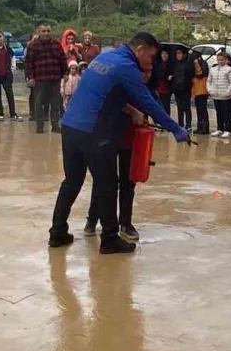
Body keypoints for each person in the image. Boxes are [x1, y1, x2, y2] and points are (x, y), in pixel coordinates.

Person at [49, 32, 189, 253]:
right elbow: (149, 102)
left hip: (70, 126)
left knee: (72, 181)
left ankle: (57, 233)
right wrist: (175, 128)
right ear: (140, 49)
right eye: (150, 56)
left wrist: (129, 109)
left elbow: (104, 93)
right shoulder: (126, 66)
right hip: (93, 130)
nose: (150, 62)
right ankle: (110, 239)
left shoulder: (104, 58)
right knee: (108, 185)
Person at [83, 67, 153, 242]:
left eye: (149, 72)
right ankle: (92, 220)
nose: (146, 75)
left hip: (131, 142)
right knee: (104, 181)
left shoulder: (146, 90)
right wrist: (133, 111)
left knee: (128, 183)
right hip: (108, 139)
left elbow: (155, 108)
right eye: (143, 71)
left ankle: (126, 223)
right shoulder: (118, 84)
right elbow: (108, 100)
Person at [25, 23, 66, 133]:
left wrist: (65, 74)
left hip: (55, 78)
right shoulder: (33, 46)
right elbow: (29, 63)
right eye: (43, 31)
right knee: (38, 103)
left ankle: (55, 125)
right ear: (39, 32)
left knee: (55, 103)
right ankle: (39, 125)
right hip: (40, 79)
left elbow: (62, 60)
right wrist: (30, 77)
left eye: (48, 31)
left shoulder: (57, 45)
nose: (46, 33)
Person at [0, 31, 19, 121]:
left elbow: (13, 58)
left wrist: (12, 69)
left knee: (10, 95)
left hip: (6, 75)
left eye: (0, 36)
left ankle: (12, 114)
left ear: (3, 38)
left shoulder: (8, 49)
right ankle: (1, 114)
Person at [207, 51, 231, 138]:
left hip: (226, 97)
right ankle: (219, 129)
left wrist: (228, 92)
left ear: (226, 60)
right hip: (216, 96)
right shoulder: (213, 69)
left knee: (227, 113)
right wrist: (210, 90)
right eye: (219, 60)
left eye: (222, 60)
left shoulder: (229, 70)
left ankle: (227, 130)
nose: (220, 61)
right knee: (218, 113)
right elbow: (209, 81)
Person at [171, 47, 192, 131]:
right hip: (177, 89)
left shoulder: (188, 64)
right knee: (179, 107)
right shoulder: (174, 63)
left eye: (179, 53)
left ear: (184, 54)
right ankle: (180, 124)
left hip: (185, 89)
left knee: (187, 107)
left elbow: (190, 75)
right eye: (177, 53)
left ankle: (188, 125)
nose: (178, 55)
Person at [190, 53, 210, 135]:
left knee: (203, 110)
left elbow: (200, 74)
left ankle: (205, 128)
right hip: (196, 91)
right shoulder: (193, 64)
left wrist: (196, 64)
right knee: (199, 110)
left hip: (202, 90)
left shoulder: (203, 64)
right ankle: (200, 127)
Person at [153, 48, 172, 114]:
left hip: (167, 89)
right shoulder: (157, 64)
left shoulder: (171, 64)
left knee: (166, 107)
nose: (164, 55)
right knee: (158, 106)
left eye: (166, 54)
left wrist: (171, 76)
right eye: (163, 53)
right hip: (158, 89)